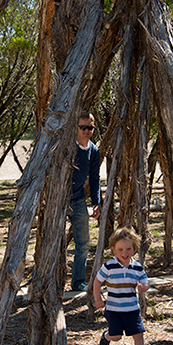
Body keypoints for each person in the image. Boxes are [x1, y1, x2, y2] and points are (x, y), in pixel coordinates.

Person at [93, 227, 150, 345]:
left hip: (132, 308)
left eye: (128, 249)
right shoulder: (109, 266)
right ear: (113, 249)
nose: (124, 253)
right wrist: (98, 299)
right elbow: (97, 281)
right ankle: (106, 337)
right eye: (120, 250)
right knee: (116, 336)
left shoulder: (137, 267)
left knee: (138, 334)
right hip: (114, 309)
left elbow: (145, 282)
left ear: (134, 248)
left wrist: (143, 287)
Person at [69, 112, 101, 291]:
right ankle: (39, 278)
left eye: (90, 127)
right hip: (60, 200)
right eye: (83, 127)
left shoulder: (93, 151)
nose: (87, 131)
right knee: (52, 241)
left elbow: (95, 178)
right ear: (76, 128)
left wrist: (96, 202)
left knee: (83, 242)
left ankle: (78, 281)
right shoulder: (67, 147)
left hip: (78, 199)